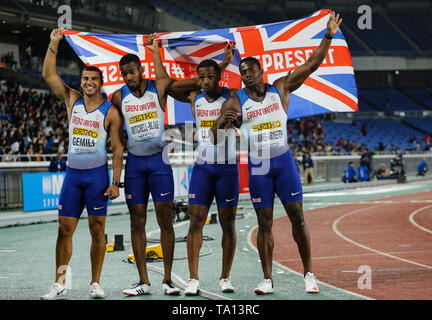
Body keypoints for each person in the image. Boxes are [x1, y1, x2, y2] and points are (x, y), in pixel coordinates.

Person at [212, 11, 342, 295]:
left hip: (283, 162)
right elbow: (215, 136)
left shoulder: (281, 87)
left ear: (261, 72)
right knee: (264, 223)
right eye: (243, 72)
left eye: (251, 71)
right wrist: (224, 122)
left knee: (297, 217)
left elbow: (312, 64)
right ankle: (267, 279)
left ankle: (309, 273)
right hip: (259, 166)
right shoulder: (236, 99)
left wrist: (329, 35)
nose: (246, 75)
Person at [40, 29, 124, 300]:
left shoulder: (110, 111)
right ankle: (59, 281)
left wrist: (115, 183)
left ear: (101, 83)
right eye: (85, 78)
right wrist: (54, 43)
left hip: (97, 177)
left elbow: (118, 149)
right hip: (73, 176)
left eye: (93, 79)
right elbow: (48, 76)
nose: (88, 82)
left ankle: (95, 283)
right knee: (64, 229)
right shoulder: (72, 99)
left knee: (97, 230)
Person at [111, 35, 180, 296]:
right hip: (136, 164)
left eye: (132, 71)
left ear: (141, 70)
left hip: (160, 161)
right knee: (136, 222)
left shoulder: (157, 86)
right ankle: (143, 281)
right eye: (124, 73)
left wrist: (154, 52)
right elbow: (116, 133)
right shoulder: (119, 96)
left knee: (166, 221)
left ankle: (167, 280)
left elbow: (163, 75)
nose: (128, 76)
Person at [166, 45, 238, 295]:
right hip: (203, 168)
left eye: (210, 76)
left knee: (227, 224)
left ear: (219, 78)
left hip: (227, 168)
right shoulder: (194, 96)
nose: (205, 81)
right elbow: (170, 87)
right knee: (195, 222)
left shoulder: (231, 96)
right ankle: (193, 279)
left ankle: (225, 277)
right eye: (202, 77)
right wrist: (217, 68)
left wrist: (222, 69)